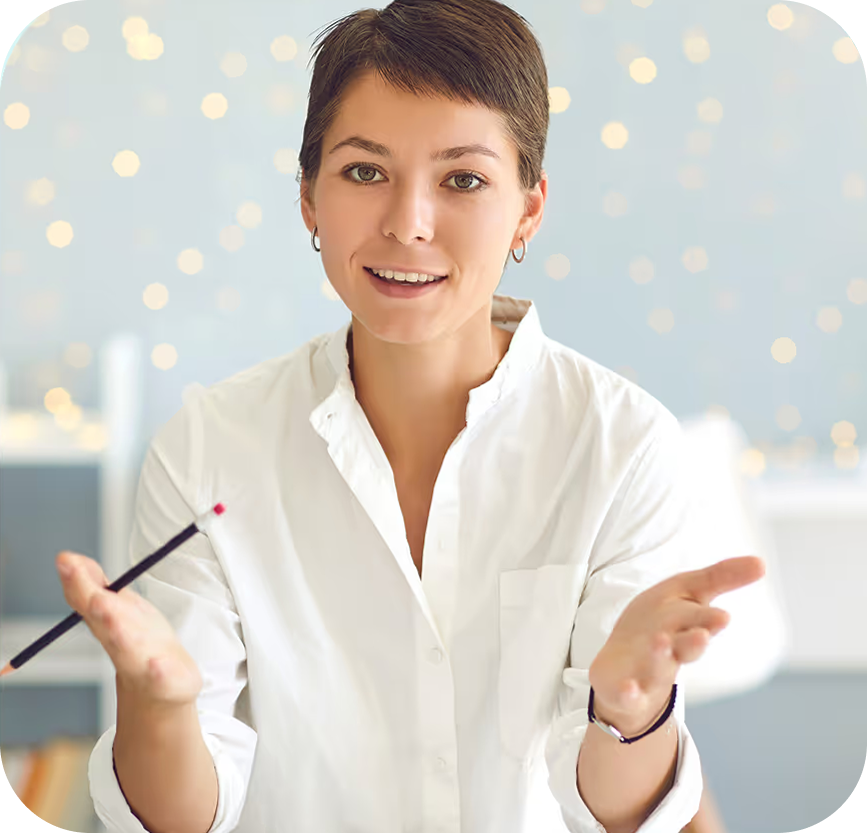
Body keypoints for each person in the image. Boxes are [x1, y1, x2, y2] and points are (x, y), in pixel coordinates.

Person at [57, 2, 764, 832]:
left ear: (528, 209)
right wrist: (163, 706)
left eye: (462, 179)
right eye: (364, 172)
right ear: (308, 199)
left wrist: (631, 711)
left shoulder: (622, 444)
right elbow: (180, 817)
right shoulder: (209, 446)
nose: (406, 222)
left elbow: (612, 811)